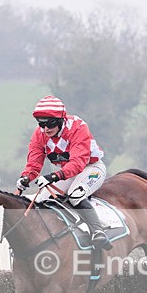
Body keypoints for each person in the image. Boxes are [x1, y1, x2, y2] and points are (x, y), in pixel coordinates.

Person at [16, 95, 111, 250]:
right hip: (68, 172)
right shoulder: (39, 134)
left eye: (50, 123)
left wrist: (53, 176)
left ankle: (98, 231)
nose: (45, 129)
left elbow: (78, 162)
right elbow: (34, 163)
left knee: (75, 195)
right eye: (41, 124)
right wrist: (25, 177)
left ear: (61, 119)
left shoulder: (78, 127)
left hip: (91, 168)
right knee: (40, 202)